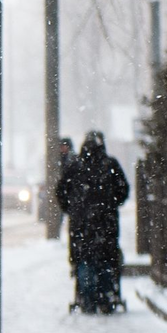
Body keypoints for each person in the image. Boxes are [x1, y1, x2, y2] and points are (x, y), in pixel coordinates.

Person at [55, 131, 129, 313]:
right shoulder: (110, 164)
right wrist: (110, 204)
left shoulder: (75, 166)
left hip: (81, 224)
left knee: (83, 258)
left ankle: (86, 296)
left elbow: (61, 191)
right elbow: (123, 190)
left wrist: (72, 208)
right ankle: (106, 296)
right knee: (106, 258)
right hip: (106, 223)